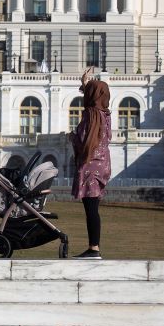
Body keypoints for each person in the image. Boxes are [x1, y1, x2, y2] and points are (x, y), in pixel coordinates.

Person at [69, 67, 111, 260]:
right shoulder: (105, 114)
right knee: (93, 208)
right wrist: (85, 84)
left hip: (90, 167)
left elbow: (83, 139)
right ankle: (93, 247)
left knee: (91, 210)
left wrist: (72, 137)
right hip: (103, 166)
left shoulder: (90, 116)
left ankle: (94, 248)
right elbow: (94, 97)